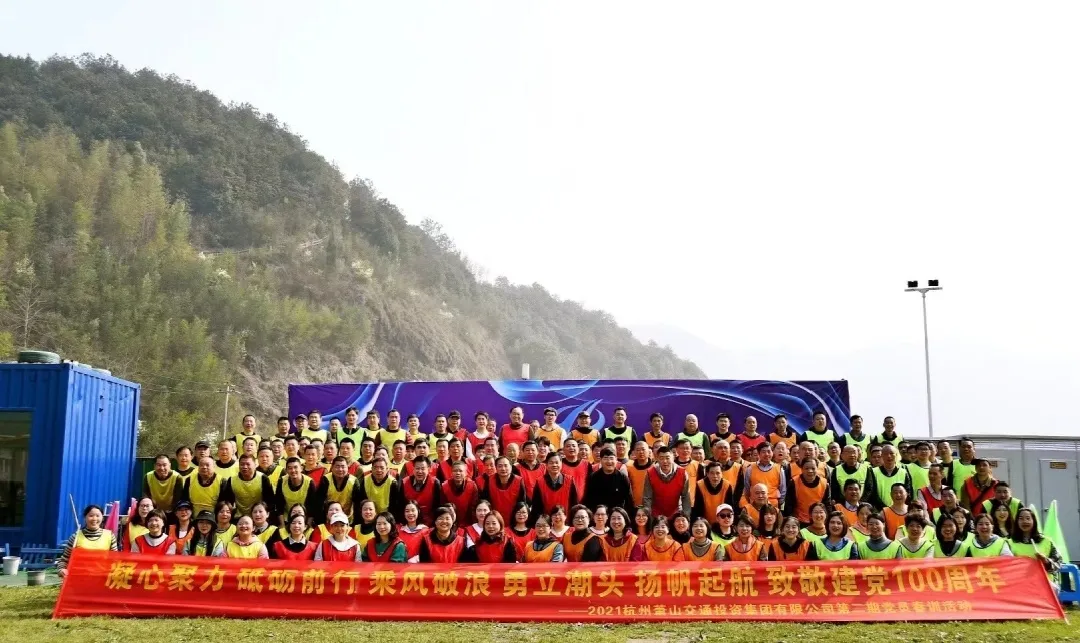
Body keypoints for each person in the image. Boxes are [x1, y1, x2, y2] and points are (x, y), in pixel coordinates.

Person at [57, 505, 119, 578]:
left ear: (102, 518)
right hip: (79, 579)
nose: (94, 519)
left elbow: (115, 560)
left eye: (97, 516)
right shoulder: (75, 537)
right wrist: (62, 570)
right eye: (91, 515)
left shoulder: (110, 536)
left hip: (102, 579)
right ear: (85, 517)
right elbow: (64, 560)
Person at [1009, 507, 1063, 587]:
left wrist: (1046, 561)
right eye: (1021, 519)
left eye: (1028, 518)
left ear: (1034, 521)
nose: (1025, 521)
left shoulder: (1047, 541)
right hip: (1019, 584)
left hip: (1043, 584)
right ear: (1017, 522)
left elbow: (1058, 563)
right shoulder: (1009, 543)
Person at [643, 446, 691, 519]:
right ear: (657, 459)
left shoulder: (682, 473)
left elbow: (686, 497)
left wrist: (686, 516)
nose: (665, 461)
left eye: (667, 458)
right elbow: (647, 497)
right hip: (656, 514)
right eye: (661, 458)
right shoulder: (650, 473)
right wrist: (648, 517)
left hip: (676, 513)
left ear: (673, 458)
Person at [584, 447, 633, 512]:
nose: (609, 461)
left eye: (611, 458)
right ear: (600, 460)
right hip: (599, 514)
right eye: (605, 458)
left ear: (616, 460)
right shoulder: (593, 477)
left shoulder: (623, 478)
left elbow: (629, 501)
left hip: (617, 514)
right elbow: (588, 501)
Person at [785, 457, 830, 526]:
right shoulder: (794, 482)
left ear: (817, 468)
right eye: (806, 468)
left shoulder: (824, 483)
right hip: (799, 521)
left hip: (818, 520)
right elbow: (789, 505)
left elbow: (827, 505)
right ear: (801, 469)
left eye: (813, 468)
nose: (810, 471)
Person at [742, 443, 785, 509]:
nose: (766, 454)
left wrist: (778, 504)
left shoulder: (779, 469)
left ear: (772, 453)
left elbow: (783, 489)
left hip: (773, 507)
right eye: (763, 452)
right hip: (754, 506)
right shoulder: (750, 468)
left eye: (769, 451)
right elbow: (746, 489)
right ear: (759, 454)